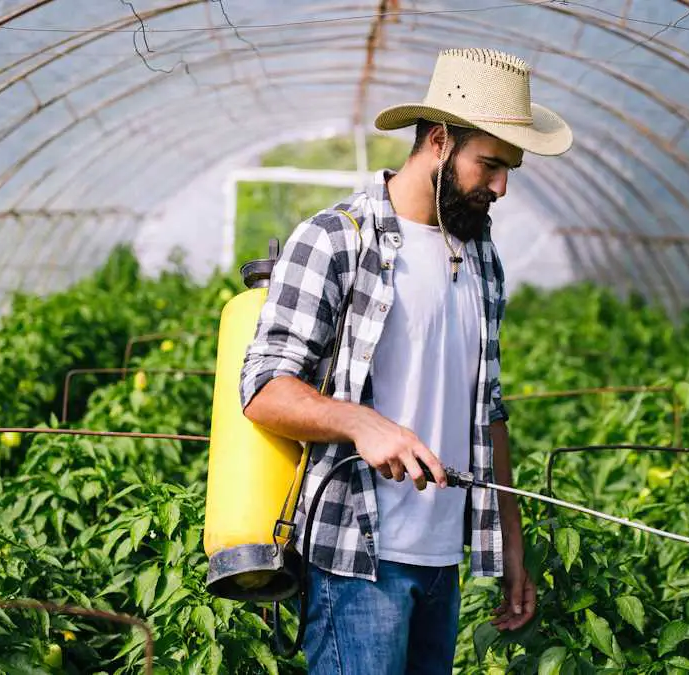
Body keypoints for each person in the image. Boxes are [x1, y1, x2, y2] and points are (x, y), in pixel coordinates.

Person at [239, 47, 573, 674]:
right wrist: (363, 423)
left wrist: (512, 550)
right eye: (491, 165)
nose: (501, 187)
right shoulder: (338, 239)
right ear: (440, 141)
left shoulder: (480, 257)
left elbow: (489, 411)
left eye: (510, 170)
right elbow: (263, 387)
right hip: (358, 554)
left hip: (442, 556)